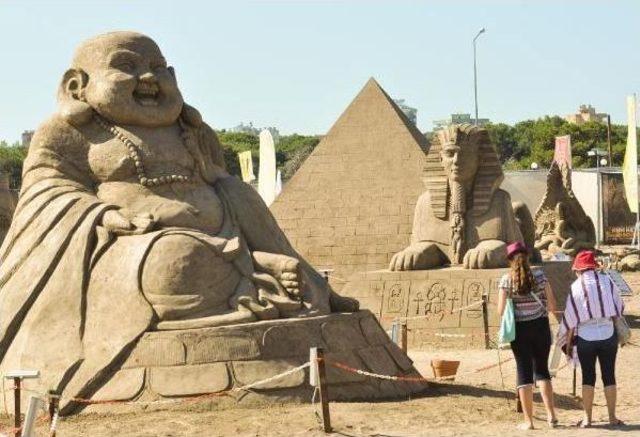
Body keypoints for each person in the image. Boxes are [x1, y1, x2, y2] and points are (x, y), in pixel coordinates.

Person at [559, 250, 625, 428]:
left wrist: (568, 340)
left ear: (579, 269)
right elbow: (619, 308)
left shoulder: (576, 287)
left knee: (588, 377)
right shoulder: (607, 281)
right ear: (593, 267)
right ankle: (612, 417)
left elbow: (571, 318)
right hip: (608, 335)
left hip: (586, 338)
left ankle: (587, 419)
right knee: (609, 375)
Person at [497, 241, 558, 430]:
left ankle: (529, 421)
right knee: (542, 371)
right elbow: (552, 306)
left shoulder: (506, 280)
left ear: (509, 260)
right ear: (527, 256)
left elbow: (500, 311)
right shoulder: (540, 276)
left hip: (520, 330)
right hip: (540, 327)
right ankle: (551, 416)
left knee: (523, 374)